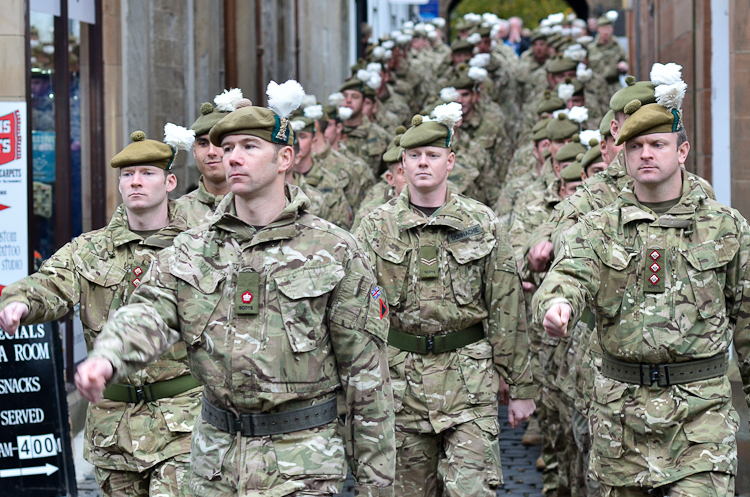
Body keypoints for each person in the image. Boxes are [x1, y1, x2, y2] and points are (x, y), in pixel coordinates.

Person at [74, 81, 396, 497]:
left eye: (249, 146)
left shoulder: (333, 249)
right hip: (214, 461)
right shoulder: (193, 246)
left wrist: (376, 486)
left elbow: (366, 377)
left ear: (285, 158)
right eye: (227, 149)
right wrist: (108, 357)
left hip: (302, 462)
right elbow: (149, 312)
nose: (233, 157)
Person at [535, 77, 749, 496]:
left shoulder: (725, 226)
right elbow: (568, 274)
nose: (646, 154)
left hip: (700, 416)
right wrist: (556, 304)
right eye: (635, 147)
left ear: (682, 151)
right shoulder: (598, 228)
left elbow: (747, 317)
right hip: (621, 418)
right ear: (624, 156)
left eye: (657, 144)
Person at [0, 129, 199, 497]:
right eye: (127, 175)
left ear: (170, 181)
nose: (136, 181)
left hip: (183, 422)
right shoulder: (91, 249)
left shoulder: (196, 247)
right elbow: (51, 283)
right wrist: (20, 303)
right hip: (113, 426)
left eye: (147, 173)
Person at [355, 104, 535, 497]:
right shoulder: (374, 227)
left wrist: (520, 388)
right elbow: (355, 312)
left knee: (472, 490)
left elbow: (507, 307)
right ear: (401, 163)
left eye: (433, 155)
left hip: (468, 382)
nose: (423, 163)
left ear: (449, 161)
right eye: (414, 156)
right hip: (398, 385)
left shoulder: (482, 223)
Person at [177, 88, 243, 227]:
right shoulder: (175, 213)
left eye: (219, 143)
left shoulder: (256, 206)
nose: (211, 152)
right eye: (203, 144)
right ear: (194, 151)